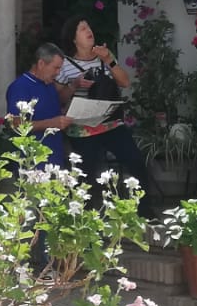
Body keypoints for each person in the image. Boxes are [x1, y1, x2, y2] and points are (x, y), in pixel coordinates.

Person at [57, 18, 151, 200]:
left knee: (135, 160)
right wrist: (74, 85)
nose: (88, 31)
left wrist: (109, 59)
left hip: (110, 123)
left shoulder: (105, 56)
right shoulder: (65, 64)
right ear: (74, 39)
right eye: (82, 28)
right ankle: (83, 215)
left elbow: (124, 82)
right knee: (85, 174)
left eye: (89, 27)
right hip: (81, 128)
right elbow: (59, 97)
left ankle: (145, 210)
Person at [6, 42, 76, 165]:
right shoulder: (20, 87)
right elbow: (16, 124)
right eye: (56, 68)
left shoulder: (49, 84)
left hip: (55, 157)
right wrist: (51, 123)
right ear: (41, 63)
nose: (58, 73)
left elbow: (52, 112)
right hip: (32, 162)